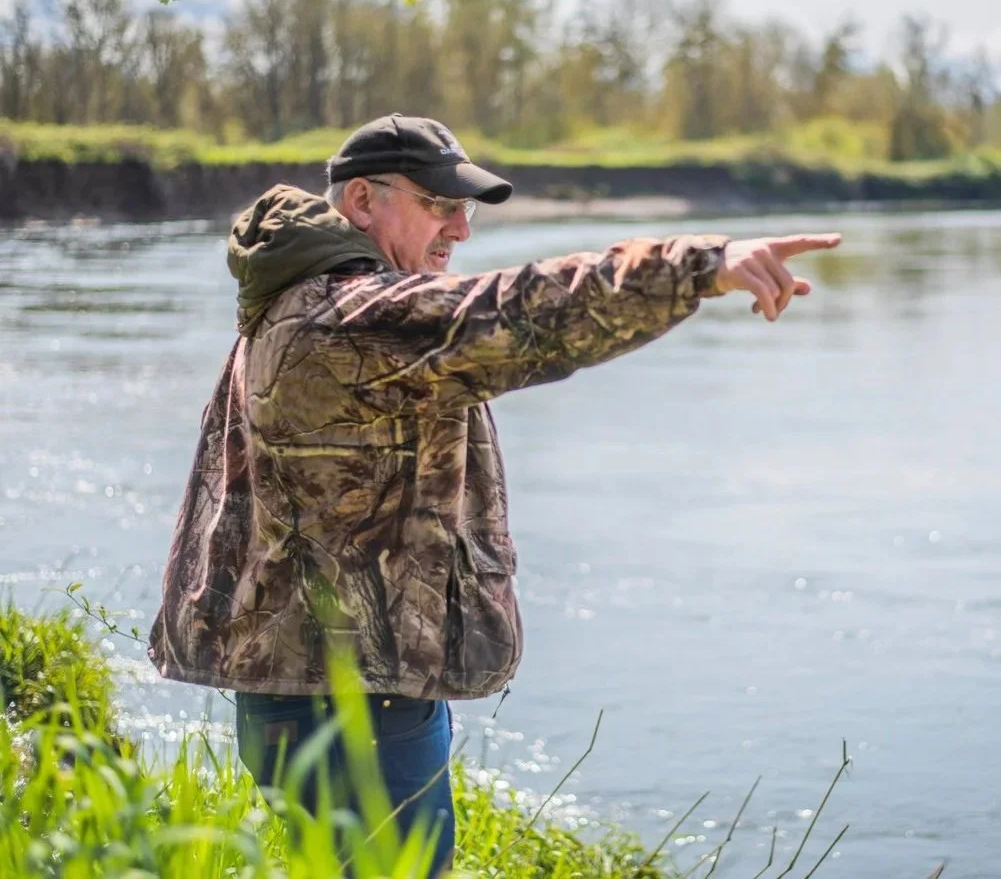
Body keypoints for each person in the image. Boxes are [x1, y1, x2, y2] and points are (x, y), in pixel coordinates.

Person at [148, 113, 841, 875]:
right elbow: (512, 311)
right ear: (361, 200)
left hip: (340, 680)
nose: (459, 229)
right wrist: (698, 266)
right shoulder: (344, 317)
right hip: (343, 695)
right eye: (438, 204)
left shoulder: (316, 300)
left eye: (466, 210)